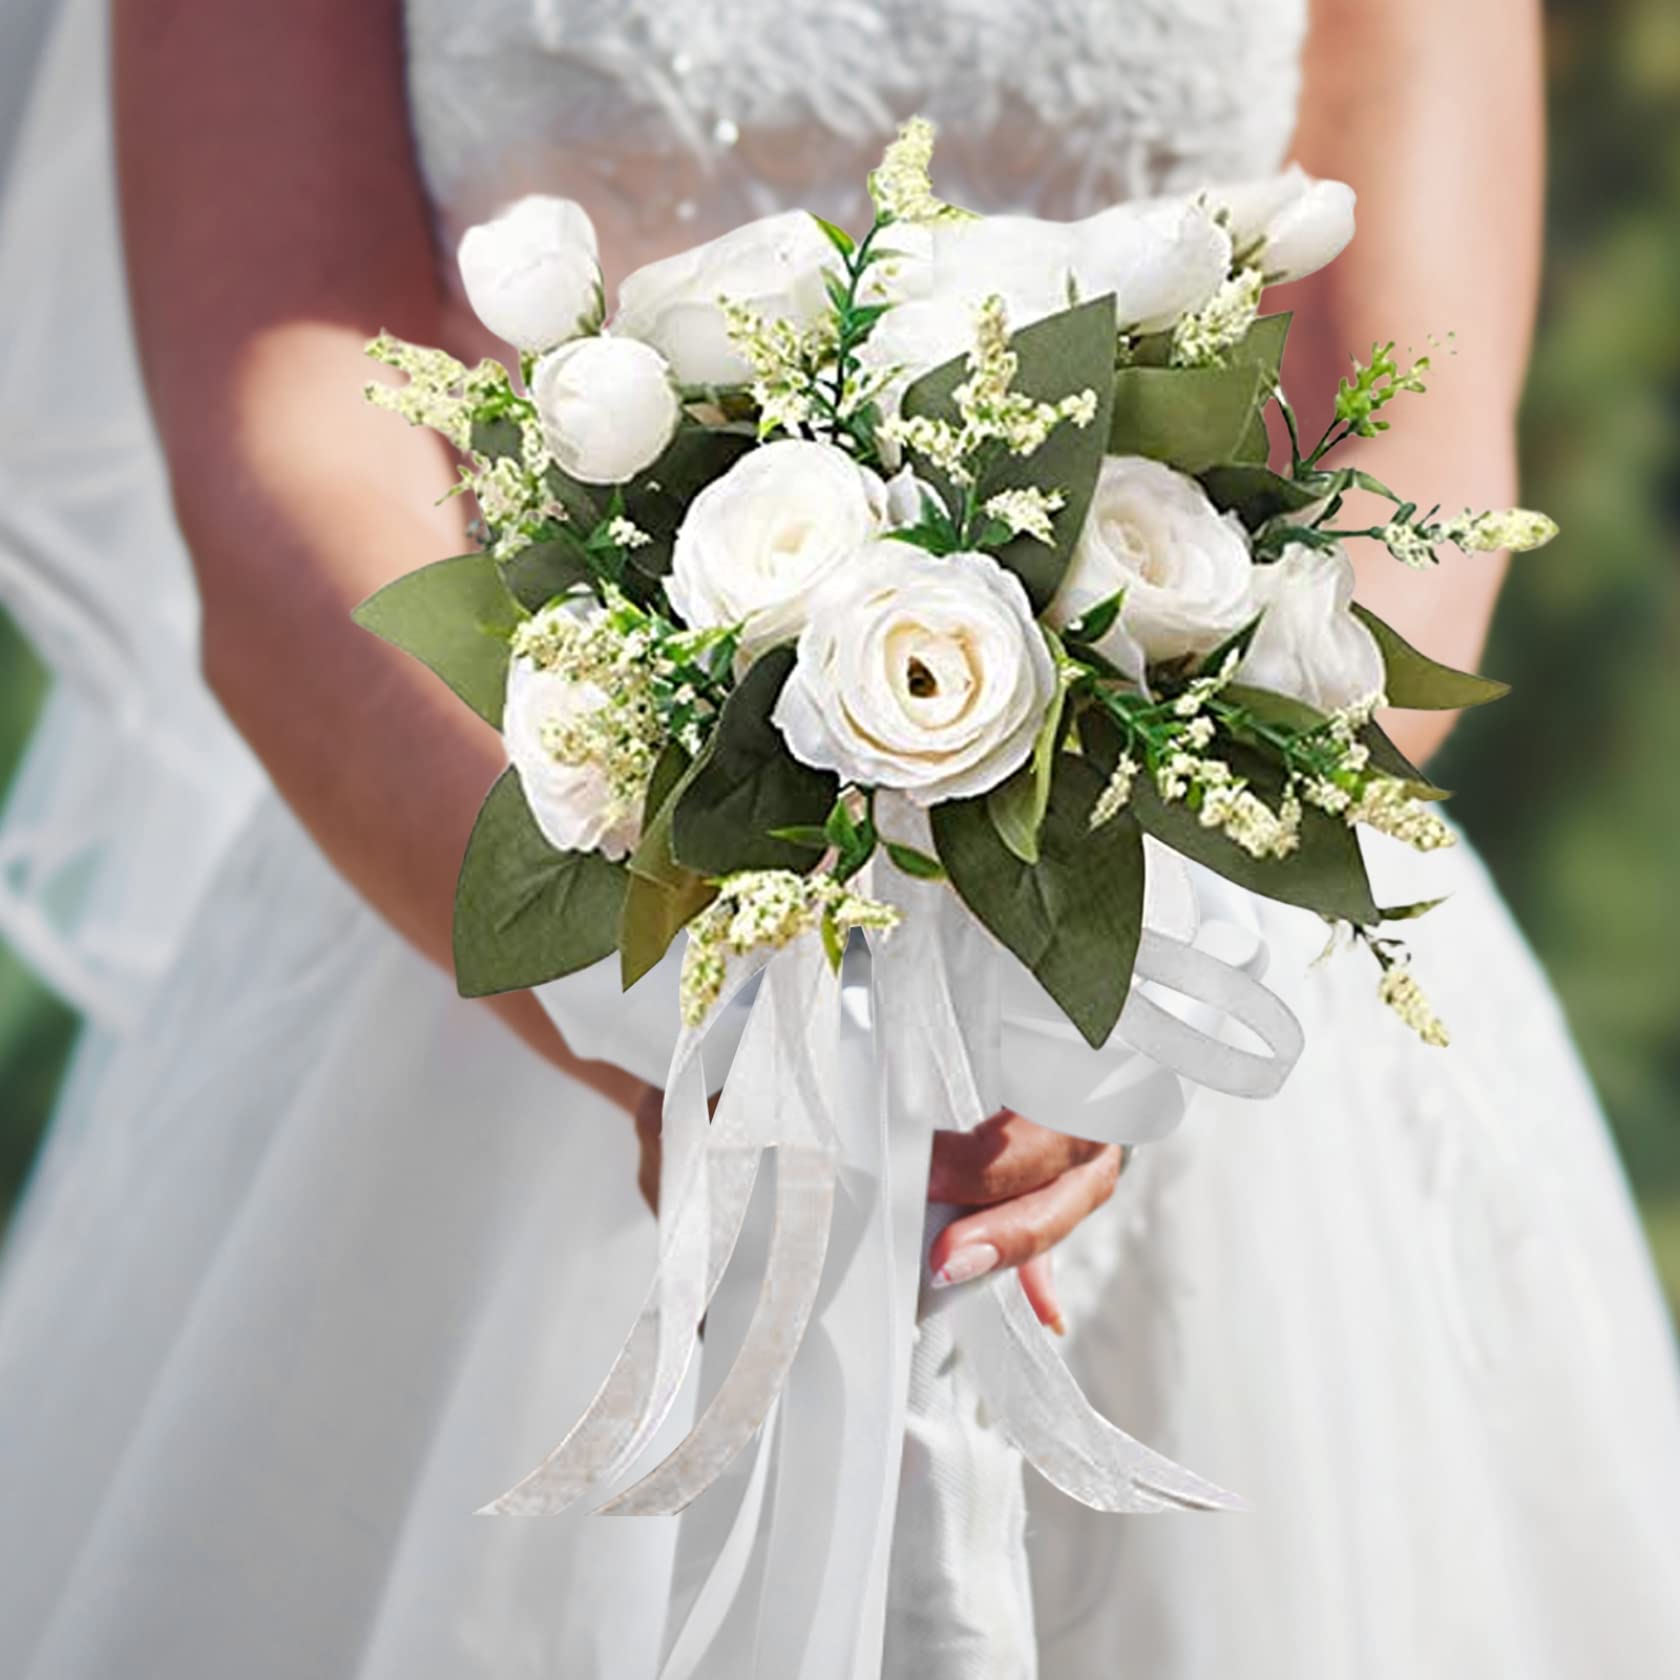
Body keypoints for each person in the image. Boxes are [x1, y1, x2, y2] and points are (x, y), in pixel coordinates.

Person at [0, 0, 1675, 1675]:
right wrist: (663, 1008)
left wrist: (1120, 964)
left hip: (1192, 898)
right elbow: (292, 419)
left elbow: (1413, 423)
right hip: (499, 855)